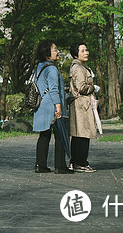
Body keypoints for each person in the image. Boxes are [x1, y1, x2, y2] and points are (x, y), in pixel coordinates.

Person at [32, 40, 72, 174]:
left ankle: (40, 165)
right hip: (51, 106)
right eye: (55, 49)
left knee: (44, 135)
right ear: (47, 54)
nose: (58, 51)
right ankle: (60, 166)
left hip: (41, 106)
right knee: (60, 135)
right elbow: (54, 89)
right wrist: (59, 107)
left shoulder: (40, 67)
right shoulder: (52, 69)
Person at [69, 42, 102, 172]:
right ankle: (81, 162)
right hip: (82, 105)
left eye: (86, 50)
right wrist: (93, 88)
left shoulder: (81, 67)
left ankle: (75, 162)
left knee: (78, 134)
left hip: (81, 104)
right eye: (83, 51)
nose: (86, 53)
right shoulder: (78, 68)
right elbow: (82, 87)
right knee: (83, 134)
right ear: (76, 54)